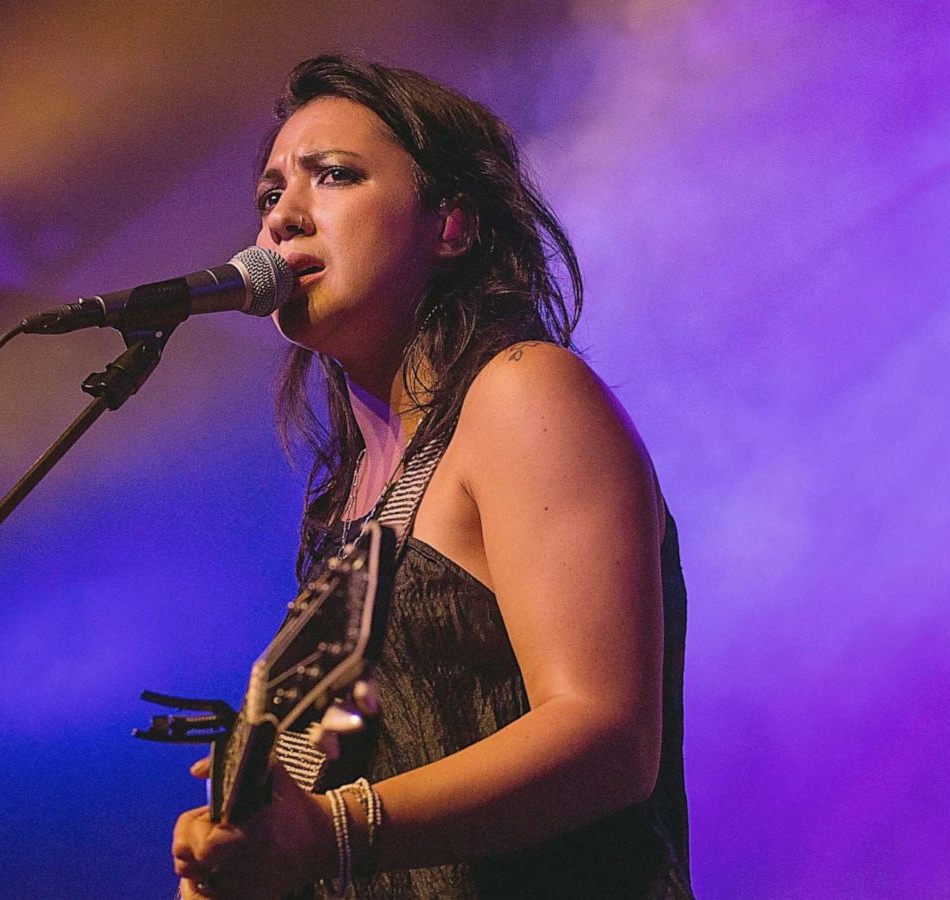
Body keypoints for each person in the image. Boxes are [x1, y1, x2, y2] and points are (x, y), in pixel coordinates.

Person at [171, 54, 691, 899]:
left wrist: (335, 831)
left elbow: (604, 733)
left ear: (450, 226)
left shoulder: (523, 390)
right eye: (269, 196)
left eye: (332, 177)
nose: (282, 221)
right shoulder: (347, 502)